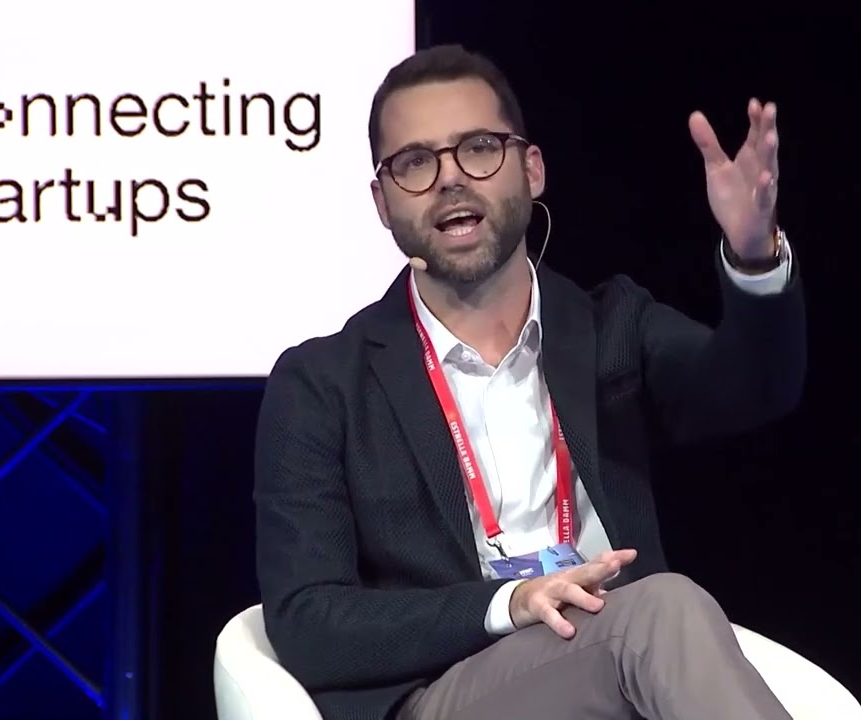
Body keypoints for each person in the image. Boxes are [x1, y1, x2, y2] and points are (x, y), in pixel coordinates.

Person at [254, 43, 807, 720]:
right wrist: (504, 604)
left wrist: (754, 260)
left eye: (479, 148)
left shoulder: (610, 328)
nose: (450, 179)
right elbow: (307, 620)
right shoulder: (322, 385)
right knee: (661, 611)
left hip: (618, 672)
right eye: (416, 163)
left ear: (532, 169)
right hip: (447, 691)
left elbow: (754, 387)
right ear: (382, 201)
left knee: (654, 624)